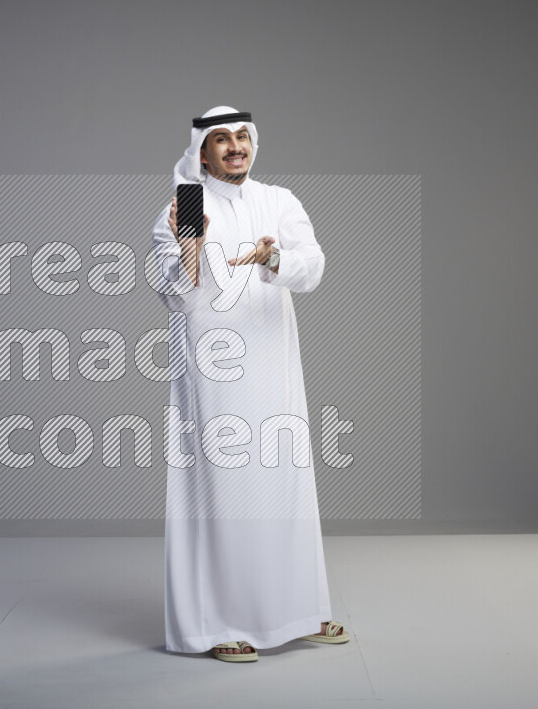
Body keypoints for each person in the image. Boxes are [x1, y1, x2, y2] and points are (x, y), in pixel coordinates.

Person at [150, 106, 350, 662]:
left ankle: (299, 613)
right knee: (223, 491)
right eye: (221, 139)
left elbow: (312, 268)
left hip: (274, 365)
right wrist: (191, 245)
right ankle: (220, 624)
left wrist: (273, 258)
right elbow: (174, 296)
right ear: (202, 152)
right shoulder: (185, 204)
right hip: (213, 373)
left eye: (242, 136)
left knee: (285, 484)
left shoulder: (279, 200)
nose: (235, 146)